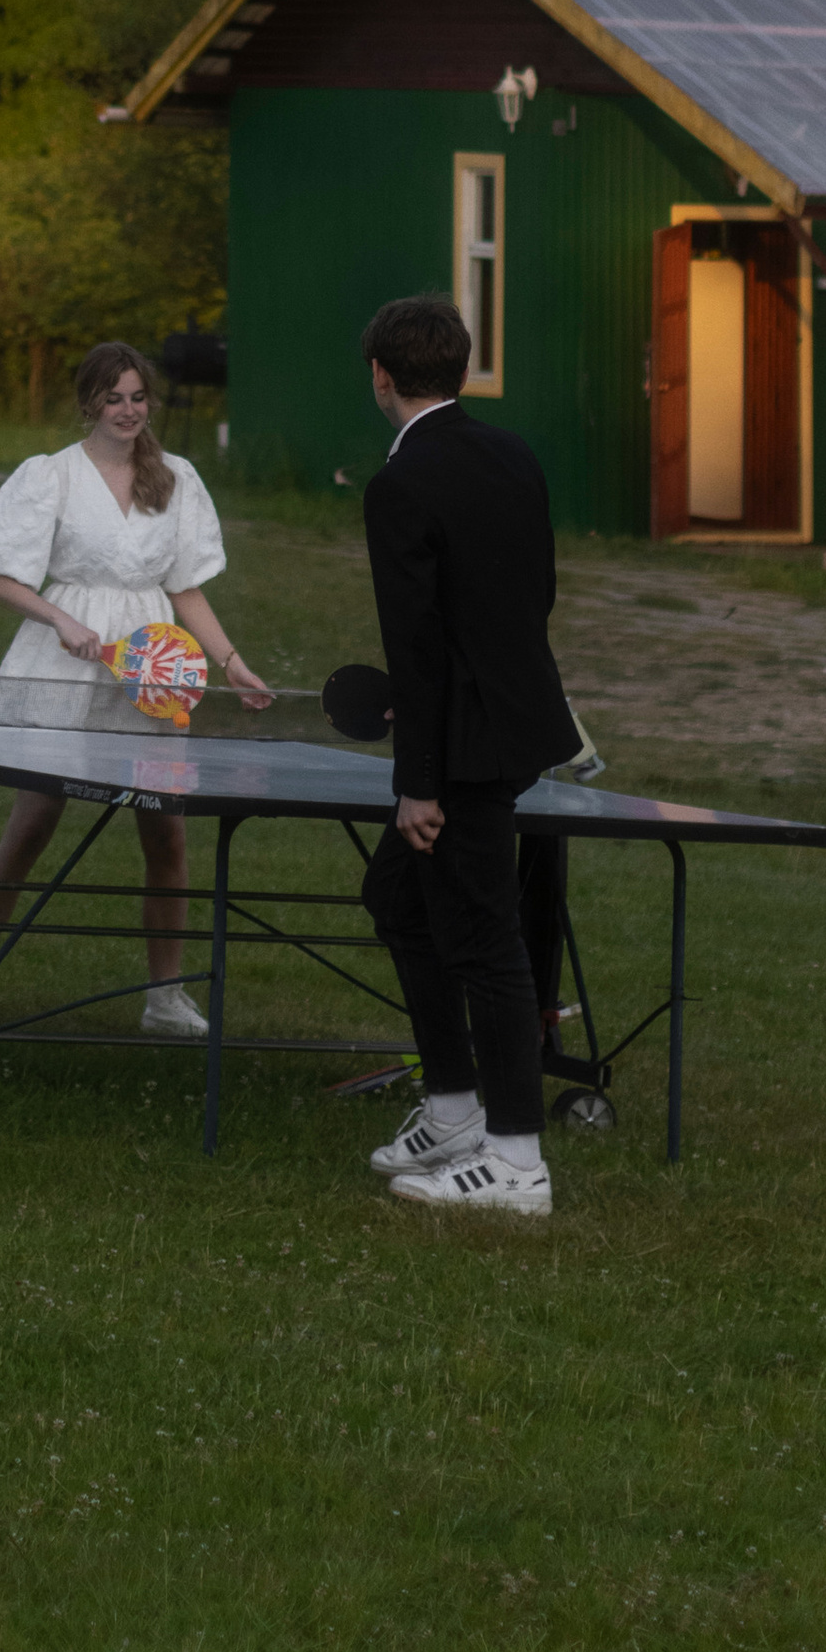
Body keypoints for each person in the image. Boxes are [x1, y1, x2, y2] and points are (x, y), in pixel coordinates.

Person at [0, 342, 271, 1041]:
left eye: (139, 397)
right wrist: (59, 617)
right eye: (115, 398)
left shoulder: (175, 478)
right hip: (64, 663)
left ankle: (164, 996)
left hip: (151, 668)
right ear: (89, 404)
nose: (129, 411)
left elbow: (186, 588)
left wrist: (231, 661)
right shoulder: (48, 477)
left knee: (166, 831)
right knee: (32, 825)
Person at [356, 292, 577, 1220]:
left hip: (466, 750)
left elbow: (415, 638)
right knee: (398, 902)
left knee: (484, 940)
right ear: (459, 366)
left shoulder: (398, 483)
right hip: (508, 726)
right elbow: (537, 591)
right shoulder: (513, 453)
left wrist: (419, 783)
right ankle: (451, 1109)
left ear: (380, 377)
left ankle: (517, 1160)